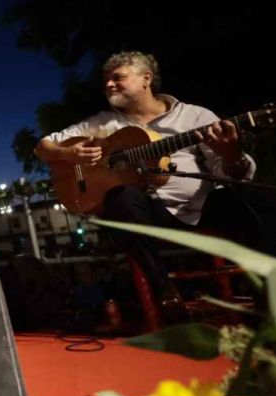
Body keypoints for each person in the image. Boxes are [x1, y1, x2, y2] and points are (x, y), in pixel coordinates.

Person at [34, 50, 258, 323]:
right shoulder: (102, 123)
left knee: (254, 201)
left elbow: (233, 176)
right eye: (106, 80)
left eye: (118, 78)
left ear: (146, 79)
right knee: (121, 197)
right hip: (144, 216)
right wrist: (67, 155)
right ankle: (165, 291)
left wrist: (231, 154)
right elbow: (43, 146)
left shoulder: (195, 117)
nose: (108, 85)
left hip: (199, 207)